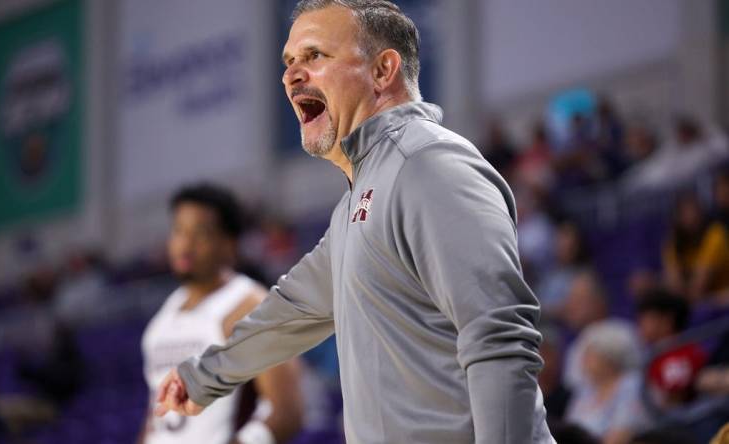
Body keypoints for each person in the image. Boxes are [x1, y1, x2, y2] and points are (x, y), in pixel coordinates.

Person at [155, 2, 554, 443]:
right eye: (289, 62)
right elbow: (293, 311)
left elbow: (498, 339)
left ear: (384, 70)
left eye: (314, 56)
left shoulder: (428, 165)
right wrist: (202, 376)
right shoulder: (357, 201)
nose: (291, 75)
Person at [140, 184, 303, 444]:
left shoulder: (252, 306)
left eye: (200, 234)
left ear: (229, 244)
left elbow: (286, 411)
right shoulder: (162, 319)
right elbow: (155, 417)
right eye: (179, 231)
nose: (185, 243)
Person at [565, 320, 649, 444]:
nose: (582, 360)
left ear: (609, 357)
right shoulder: (586, 390)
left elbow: (622, 434)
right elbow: (568, 430)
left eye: (590, 354)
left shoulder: (631, 385)